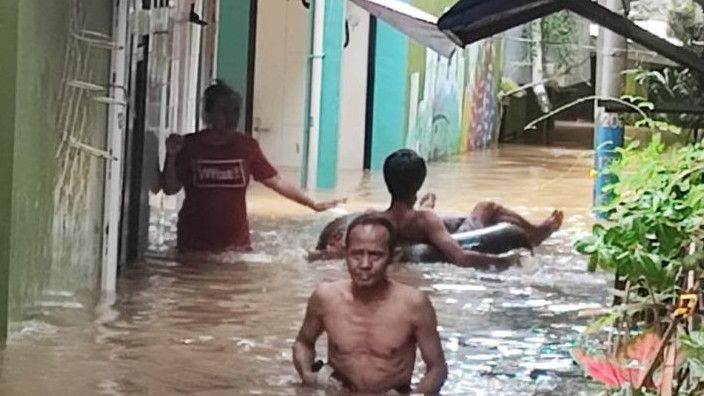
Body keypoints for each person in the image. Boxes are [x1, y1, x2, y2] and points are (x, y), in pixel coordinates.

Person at [161, 80, 343, 252]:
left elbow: (276, 181)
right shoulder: (189, 145)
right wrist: (171, 155)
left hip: (236, 245)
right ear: (208, 114)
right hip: (193, 245)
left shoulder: (247, 147)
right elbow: (170, 189)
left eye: (235, 111)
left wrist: (312, 204)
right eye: (223, 111)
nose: (231, 117)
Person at [309, 149, 563, 269]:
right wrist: (506, 260)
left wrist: (316, 255)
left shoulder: (373, 218)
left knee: (429, 210)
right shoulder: (426, 221)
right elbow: (460, 256)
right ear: (419, 182)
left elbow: (340, 247)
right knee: (487, 207)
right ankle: (536, 232)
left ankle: (424, 202)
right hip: (427, 230)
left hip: (409, 218)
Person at [293, 214, 448, 394]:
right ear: (345, 253)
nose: (365, 264)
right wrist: (310, 376)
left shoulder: (414, 304)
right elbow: (303, 343)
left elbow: (437, 368)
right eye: (357, 254)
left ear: (393, 256)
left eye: (375, 255)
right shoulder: (325, 297)